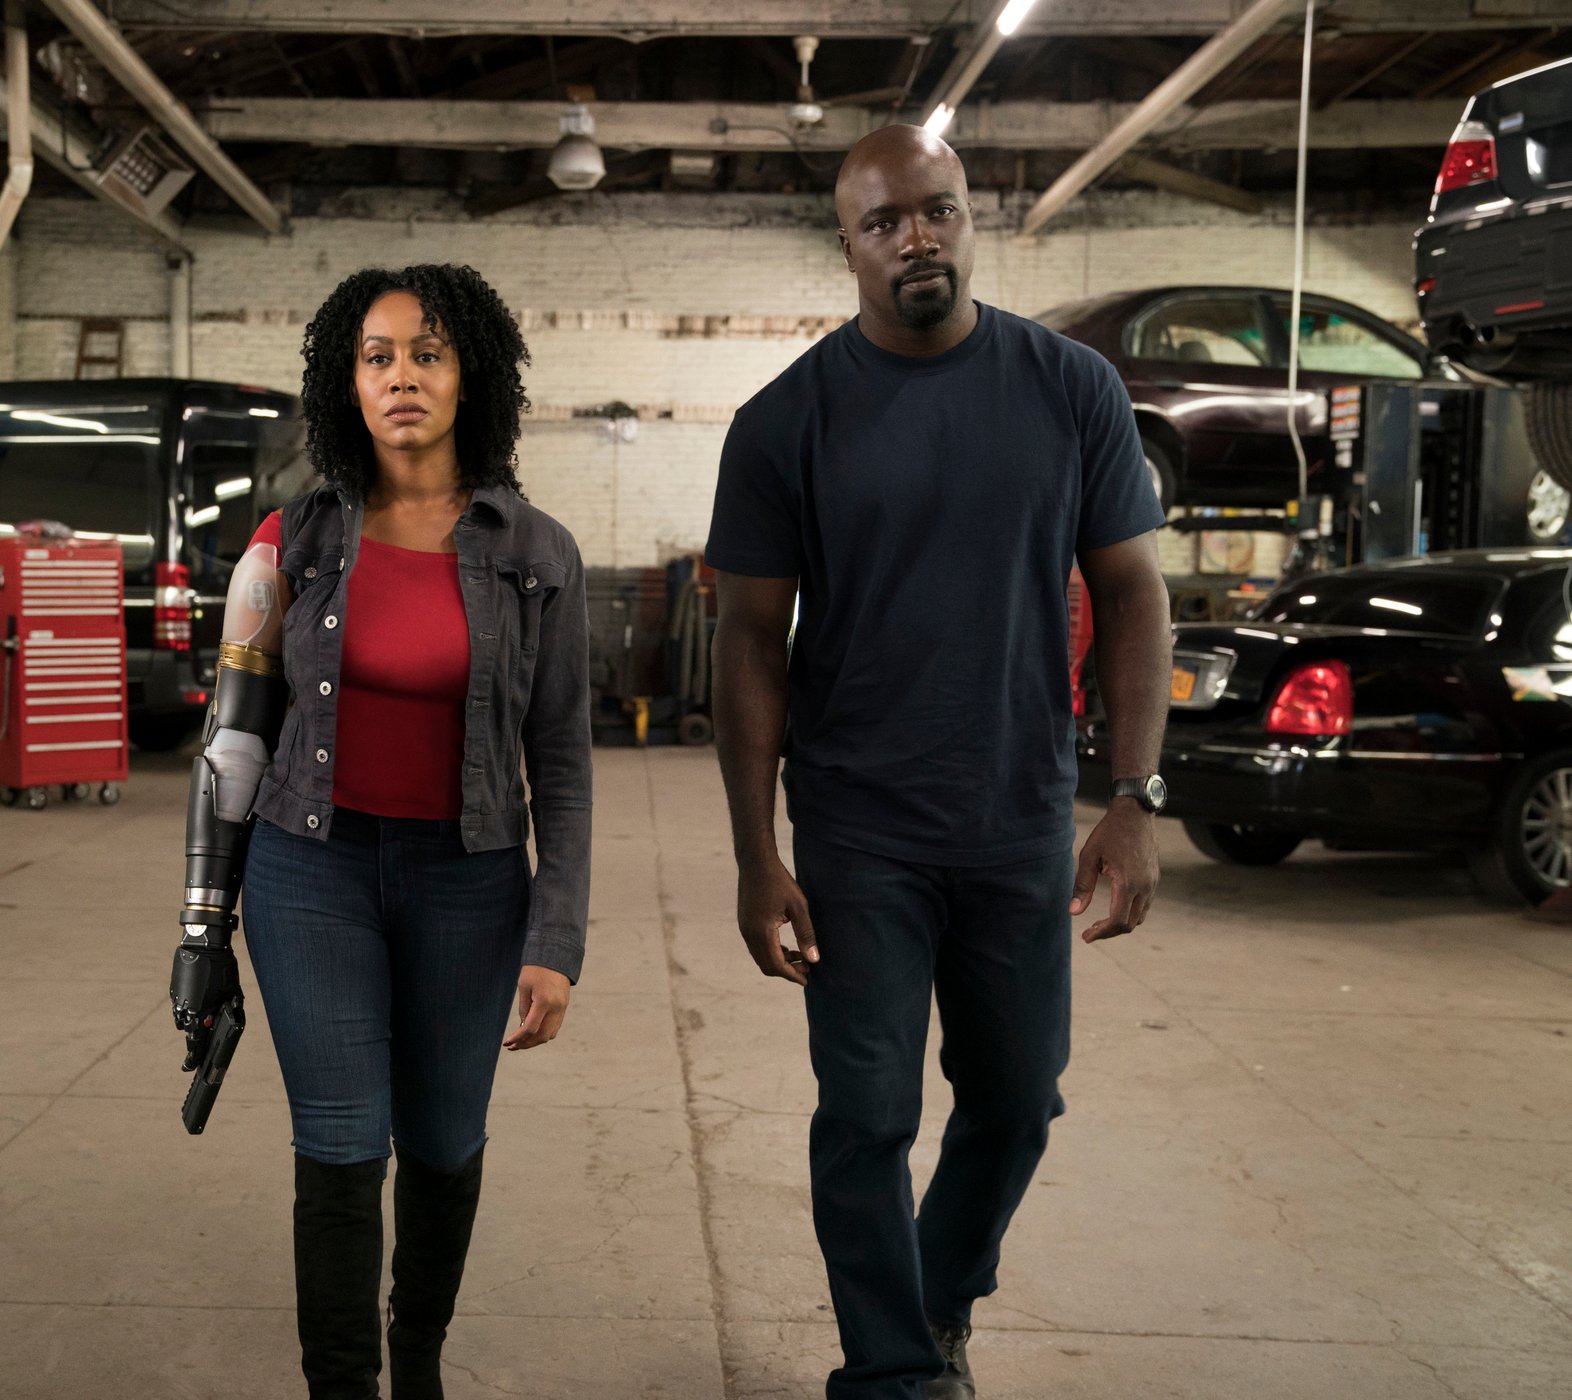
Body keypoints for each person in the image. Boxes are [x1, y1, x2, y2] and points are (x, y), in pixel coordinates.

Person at [706, 127, 1173, 1400]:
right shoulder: (785, 420)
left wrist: (1133, 799)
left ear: (972, 217)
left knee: (1018, 1100)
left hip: (1019, 816)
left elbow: (1135, 595)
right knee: (866, 1114)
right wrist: (759, 852)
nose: (917, 237)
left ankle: (938, 1291)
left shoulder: (1071, 388)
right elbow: (746, 640)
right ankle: (897, 1370)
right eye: (884, 222)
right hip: (859, 829)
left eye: (939, 211)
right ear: (848, 242)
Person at [170, 262, 593, 1400]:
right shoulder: (287, 542)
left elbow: (559, 760)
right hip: (315, 872)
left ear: (473, 376)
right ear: (345, 382)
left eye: (429, 351)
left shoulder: (538, 553)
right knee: (344, 1135)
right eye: (378, 355)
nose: (403, 374)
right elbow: (234, 735)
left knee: (447, 1138)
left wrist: (558, 934)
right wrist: (203, 925)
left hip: (471, 881)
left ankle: (419, 1364)